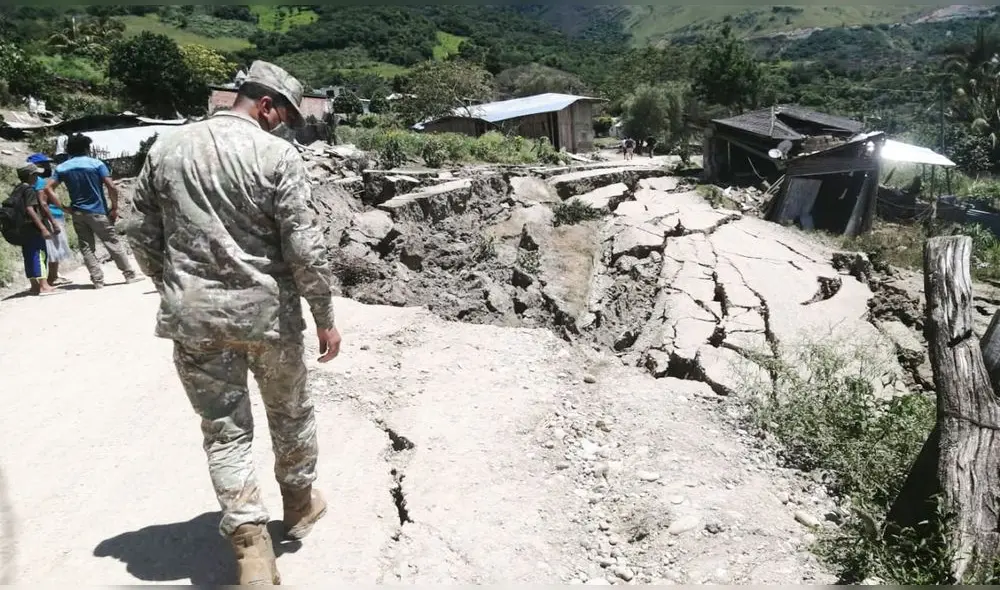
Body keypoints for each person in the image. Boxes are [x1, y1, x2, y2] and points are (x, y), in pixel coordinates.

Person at [128, 60, 340, 585]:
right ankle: (297, 504)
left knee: (225, 434)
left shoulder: (167, 148)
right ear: (265, 104)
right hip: (268, 318)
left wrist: (176, 288)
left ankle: (251, 553)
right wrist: (324, 315)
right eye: (283, 116)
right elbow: (305, 249)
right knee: (290, 414)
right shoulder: (276, 155)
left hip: (193, 321)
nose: (283, 127)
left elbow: (137, 231)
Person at [41, 134, 141, 289]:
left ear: (69, 150)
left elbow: (48, 188)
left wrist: (63, 207)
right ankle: (128, 274)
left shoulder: (62, 167)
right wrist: (114, 207)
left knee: (86, 247)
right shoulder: (96, 164)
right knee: (112, 242)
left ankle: (97, 280)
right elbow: (111, 186)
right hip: (98, 211)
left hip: (77, 213)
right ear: (87, 148)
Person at [10, 164, 60, 295]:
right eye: (36, 175)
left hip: (22, 228)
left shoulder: (17, 189)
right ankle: (44, 286)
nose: (37, 177)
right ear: (31, 176)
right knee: (39, 254)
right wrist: (43, 227)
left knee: (29, 255)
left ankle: (34, 286)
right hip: (33, 228)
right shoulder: (30, 190)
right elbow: (30, 209)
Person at [27, 153, 72, 286]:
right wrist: (53, 221)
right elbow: (43, 204)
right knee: (54, 249)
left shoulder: (35, 182)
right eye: (44, 164)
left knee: (53, 249)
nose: (48, 166)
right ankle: (51, 277)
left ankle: (52, 276)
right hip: (51, 217)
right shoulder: (40, 182)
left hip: (49, 217)